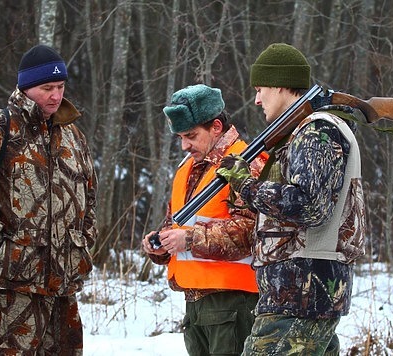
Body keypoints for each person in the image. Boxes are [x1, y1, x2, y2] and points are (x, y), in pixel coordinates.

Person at [217, 43, 366, 355]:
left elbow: (308, 205)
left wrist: (246, 185)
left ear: (280, 85)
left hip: (300, 294)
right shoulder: (308, 131)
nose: (256, 99)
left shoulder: (316, 131)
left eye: (261, 89)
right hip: (301, 292)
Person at [0, 44, 97, 354]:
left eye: (60, 87)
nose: (55, 95)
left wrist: (85, 236)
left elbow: (89, 193)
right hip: (10, 284)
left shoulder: (74, 136)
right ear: (25, 88)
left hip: (63, 282)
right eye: (46, 88)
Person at [142, 84, 267, 356]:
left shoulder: (246, 162)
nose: (185, 145)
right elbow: (176, 225)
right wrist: (162, 244)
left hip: (234, 302)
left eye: (191, 135)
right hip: (195, 304)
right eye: (180, 138)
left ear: (216, 127)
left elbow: (253, 230)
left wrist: (189, 240)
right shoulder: (188, 167)